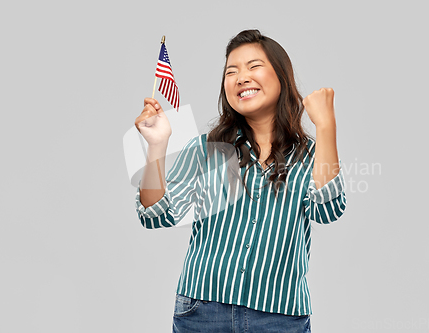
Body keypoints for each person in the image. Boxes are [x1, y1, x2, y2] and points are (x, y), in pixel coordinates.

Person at [134, 29, 347, 333]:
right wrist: (156, 146)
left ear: (281, 78)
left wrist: (326, 126)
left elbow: (329, 210)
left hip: (280, 315)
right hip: (202, 312)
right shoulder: (205, 150)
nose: (241, 77)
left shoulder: (309, 154)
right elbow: (155, 215)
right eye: (231, 71)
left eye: (254, 66)